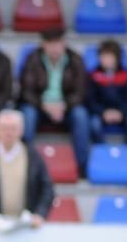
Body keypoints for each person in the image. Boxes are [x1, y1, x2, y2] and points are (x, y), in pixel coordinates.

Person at [18, 28, 90, 178]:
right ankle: (25, 165)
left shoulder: (76, 60)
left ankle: (82, 166)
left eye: (58, 43)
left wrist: (64, 105)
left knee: (81, 115)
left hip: (66, 108)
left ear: (64, 44)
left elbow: (81, 91)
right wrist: (43, 105)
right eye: (50, 44)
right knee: (27, 115)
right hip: (39, 107)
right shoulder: (33, 59)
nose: (55, 48)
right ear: (43, 44)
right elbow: (26, 91)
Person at [0, 110, 56, 231]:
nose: (8, 132)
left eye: (13, 128)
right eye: (4, 128)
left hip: (26, 227)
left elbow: (47, 188)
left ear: (21, 130)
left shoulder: (33, 155)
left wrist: (40, 214)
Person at [86, 39, 127, 145]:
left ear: (117, 58)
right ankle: (102, 152)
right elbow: (89, 100)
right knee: (94, 124)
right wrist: (103, 113)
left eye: (109, 56)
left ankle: (126, 152)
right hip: (101, 114)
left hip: (122, 113)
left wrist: (121, 113)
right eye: (103, 56)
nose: (106, 60)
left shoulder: (126, 75)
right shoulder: (93, 76)